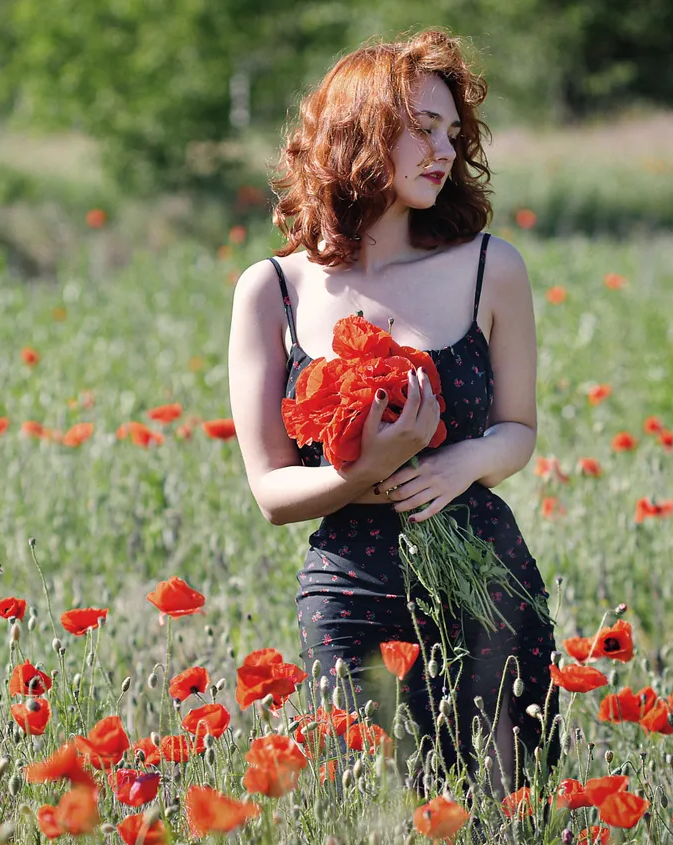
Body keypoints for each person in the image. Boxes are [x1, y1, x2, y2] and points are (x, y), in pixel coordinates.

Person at [226, 28, 559, 796]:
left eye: (453, 133)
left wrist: (463, 460)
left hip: (485, 577)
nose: (444, 151)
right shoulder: (272, 291)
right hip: (351, 591)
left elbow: (517, 430)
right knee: (377, 813)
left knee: (510, 813)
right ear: (361, 132)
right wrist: (366, 469)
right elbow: (271, 492)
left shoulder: (491, 267)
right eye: (423, 128)